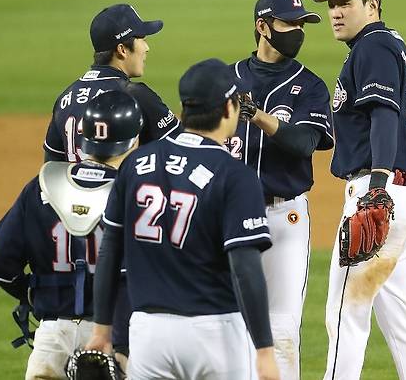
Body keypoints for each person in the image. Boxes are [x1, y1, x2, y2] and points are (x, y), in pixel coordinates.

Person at [85, 59, 280, 380]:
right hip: (214, 332)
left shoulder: (135, 164)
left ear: (184, 108)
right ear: (229, 108)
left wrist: (102, 330)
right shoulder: (234, 174)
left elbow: (109, 250)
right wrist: (265, 350)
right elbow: (245, 266)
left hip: (148, 333)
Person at [312, 0, 406, 380]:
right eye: (331, 4)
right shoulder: (393, 45)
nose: (335, 12)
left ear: (372, 5)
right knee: (400, 318)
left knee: (346, 313)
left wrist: (377, 188)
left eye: (345, 3)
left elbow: (384, 114)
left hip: (381, 193)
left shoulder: (374, 47)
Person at [0, 91, 142, 379]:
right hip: (116, 339)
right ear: (134, 142)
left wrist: (37, 293)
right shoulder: (136, 196)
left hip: (52, 339)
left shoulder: (40, 187)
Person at [229, 0, 334, 380]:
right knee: (225, 323)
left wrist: (257, 116)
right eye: (289, 24)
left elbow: (306, 142)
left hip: (283, 216)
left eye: (302, 24)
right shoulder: (227, 77)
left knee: (284, 327)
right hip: (228, 216)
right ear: (262, 27)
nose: (298, 31)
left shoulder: (310, 86)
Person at [44, 3, 180, 163]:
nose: (146, 47)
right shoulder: (136, 96)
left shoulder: (65, 99)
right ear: (122, 49)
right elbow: (182, 150)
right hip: (118, 187)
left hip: (77, 185)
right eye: (141, 39)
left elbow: (51, 166)